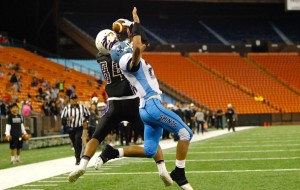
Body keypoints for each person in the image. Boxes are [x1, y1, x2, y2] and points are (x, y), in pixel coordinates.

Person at [68, 20, 172, 186]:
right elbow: (140, 43)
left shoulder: (100, 56)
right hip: (133, 102)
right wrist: (130, 26)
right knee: (150, 140)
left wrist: (118, 34)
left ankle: (82, 165)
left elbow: (111, 45)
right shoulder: (122, 49)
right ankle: (162, 170)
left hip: (114, 104)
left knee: (96, 137)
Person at [108, 7, 194, 189]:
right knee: (186, 133)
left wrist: (133, 26)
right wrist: (135, 24)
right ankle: (179, 172)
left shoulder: (127, 55)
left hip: (145, 108)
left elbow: (142, 43)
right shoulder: (125, 61)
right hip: (151, 104)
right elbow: (138, 48)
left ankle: (114, 152)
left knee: (149, 150)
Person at [61, 93, 90, 165]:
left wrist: (85, 121)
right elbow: (62, 119)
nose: (74, 100)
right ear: (70, 100)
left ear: (77, 99)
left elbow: (87, 115)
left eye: (75, 99)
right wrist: (68, 118)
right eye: (72, 99)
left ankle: (78, 159)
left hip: (79, 127)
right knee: (74, 143)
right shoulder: (66, 108)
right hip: (71, 128)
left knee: (78, 141)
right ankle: (78, 155)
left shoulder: (82, 107)